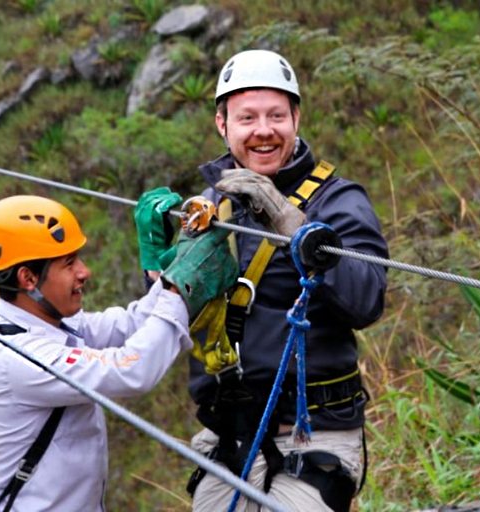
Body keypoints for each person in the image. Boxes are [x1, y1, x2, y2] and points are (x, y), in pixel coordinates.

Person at [186, 49, 388, 511]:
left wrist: (294, 228)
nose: (263, 131)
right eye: (247, 118)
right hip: (230, 436)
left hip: (316, 431)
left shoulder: (338, 202)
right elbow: (181, 315)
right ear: (224, 125)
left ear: (296, 118)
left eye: (277, 115)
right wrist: (159, 265)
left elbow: (366, 301)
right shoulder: (210, 207)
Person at [0, 194, 237, 511]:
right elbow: (130, 371)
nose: (84, 272)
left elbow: (130, 324)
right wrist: (180, 289)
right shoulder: (19, 357)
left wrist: (168, 274)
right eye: (69, 263)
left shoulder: (49, 325)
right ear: (28, 279)